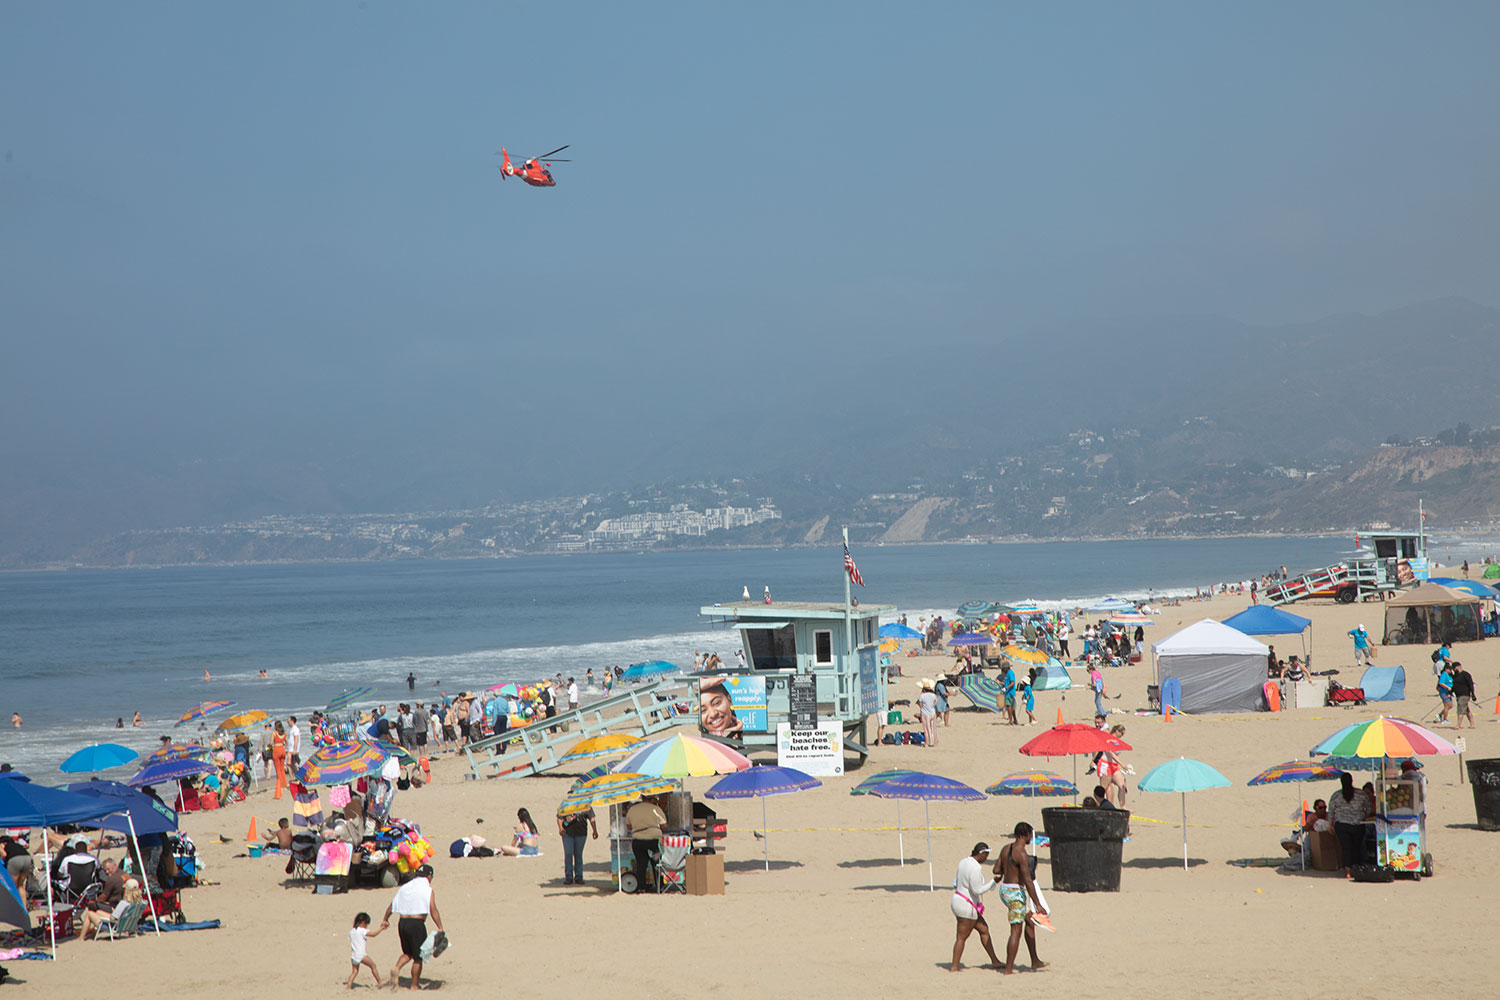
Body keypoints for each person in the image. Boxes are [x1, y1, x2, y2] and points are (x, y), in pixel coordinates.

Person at [991, 822, 1047, 975]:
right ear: (1025, 834)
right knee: (1016, 930)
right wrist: (1038, 904)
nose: (1031, 838)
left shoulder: (1006, 848)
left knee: (1030, 921)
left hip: (1005, 890)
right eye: (1030, 835)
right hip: (1015, 893)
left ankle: (1035, 960)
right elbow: (1028, 881)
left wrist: (1009, 869)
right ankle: (1008, 969)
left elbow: (996, 869)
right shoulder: (1021, 854)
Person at [379, 863, 444, 991]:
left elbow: (392, 906)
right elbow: (433, 909)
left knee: (407, 953)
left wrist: (385, 919)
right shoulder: (428, 890)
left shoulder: (405, 887)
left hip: (402, 923)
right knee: (418, 958)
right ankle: (414, 985)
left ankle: (397, 968)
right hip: (416, 925)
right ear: (429, 876)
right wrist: (440, 927)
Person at [949, 842, 1002, 972]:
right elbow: (977, 890)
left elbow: (957, 882)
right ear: (981, 854)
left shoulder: (963, 862)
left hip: (958, 900)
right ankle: (954, 967)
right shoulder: (976, 868)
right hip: (966, 906)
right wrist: (993, 882)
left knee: (984, 929)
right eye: (986, 855)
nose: (986, 858)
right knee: (961, 937)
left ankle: (995, 961)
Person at [1329, 772, 1371, 876]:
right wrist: (1363, 816)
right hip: (1358, 824)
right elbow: (1369, 808)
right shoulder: (1361, 794)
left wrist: (1330, 824)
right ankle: (1356, 869)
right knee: (1356, 848)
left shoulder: (1336, 795)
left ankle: (1348, 871)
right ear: (1352, 781)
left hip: (1341, 825)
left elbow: (1331, 811)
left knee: (1346, 848)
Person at [626, 794, 667, 893]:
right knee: (656, 863)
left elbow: (629, 826)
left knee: (641, 864)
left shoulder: (633, 809)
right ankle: (659, 886)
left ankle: (641, 887)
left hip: (638, 840)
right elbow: (664, 825)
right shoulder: (656, 809)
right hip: (653, 840)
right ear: (652, 798)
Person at [557, 805, 598, 886]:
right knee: (568, 853)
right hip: (567, 833)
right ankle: (568, 876)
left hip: (581, 833)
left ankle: (579, 876)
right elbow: (559, 817)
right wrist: (561, 828)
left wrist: (595, 830)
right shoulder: (566, 804)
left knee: (578, 854)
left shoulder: (586, 805)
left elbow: (592, 818)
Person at [348, 911, 385, 989]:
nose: (366, 926)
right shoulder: (362, 930)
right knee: (373, 966)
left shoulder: (351, 932)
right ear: (363, 922)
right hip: (361, 955)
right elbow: (373, 934)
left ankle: (349, 986)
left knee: (354, 972)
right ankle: (380, 981)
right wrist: (381, 928)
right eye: (366, 924)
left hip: (353, 955)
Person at [1451, 662, 1477, 728]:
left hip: (1465, 695)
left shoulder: (1465, 674)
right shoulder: (1455, 676)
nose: (1453, 669)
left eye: (1454, 668)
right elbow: (1454, 686)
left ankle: (1458, 725)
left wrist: (1473, 694)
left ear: (1459, 667)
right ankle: (1472, 724)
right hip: (1458, 695)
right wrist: (1450, 692)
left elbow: (1470, 685)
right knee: (1466, 710)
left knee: (1460, 710)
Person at [917, 679, 939, 747]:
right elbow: (935, 702)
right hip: (932, 712)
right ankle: (934, 741)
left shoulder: (922, 696)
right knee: (933, 728)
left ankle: (928, 742)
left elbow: (920, 705)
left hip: (925, 713)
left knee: (926, 728)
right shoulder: (933, 695)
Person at [271, 720, 288, 799]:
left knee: (277, 768)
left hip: (276, 749)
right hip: (282, 749)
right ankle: (284, 783)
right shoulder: (284, 733)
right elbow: (287, 742)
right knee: (282, 768)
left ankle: (279, 784)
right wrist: (283, 743)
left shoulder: (274, 733)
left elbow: (271, 742)